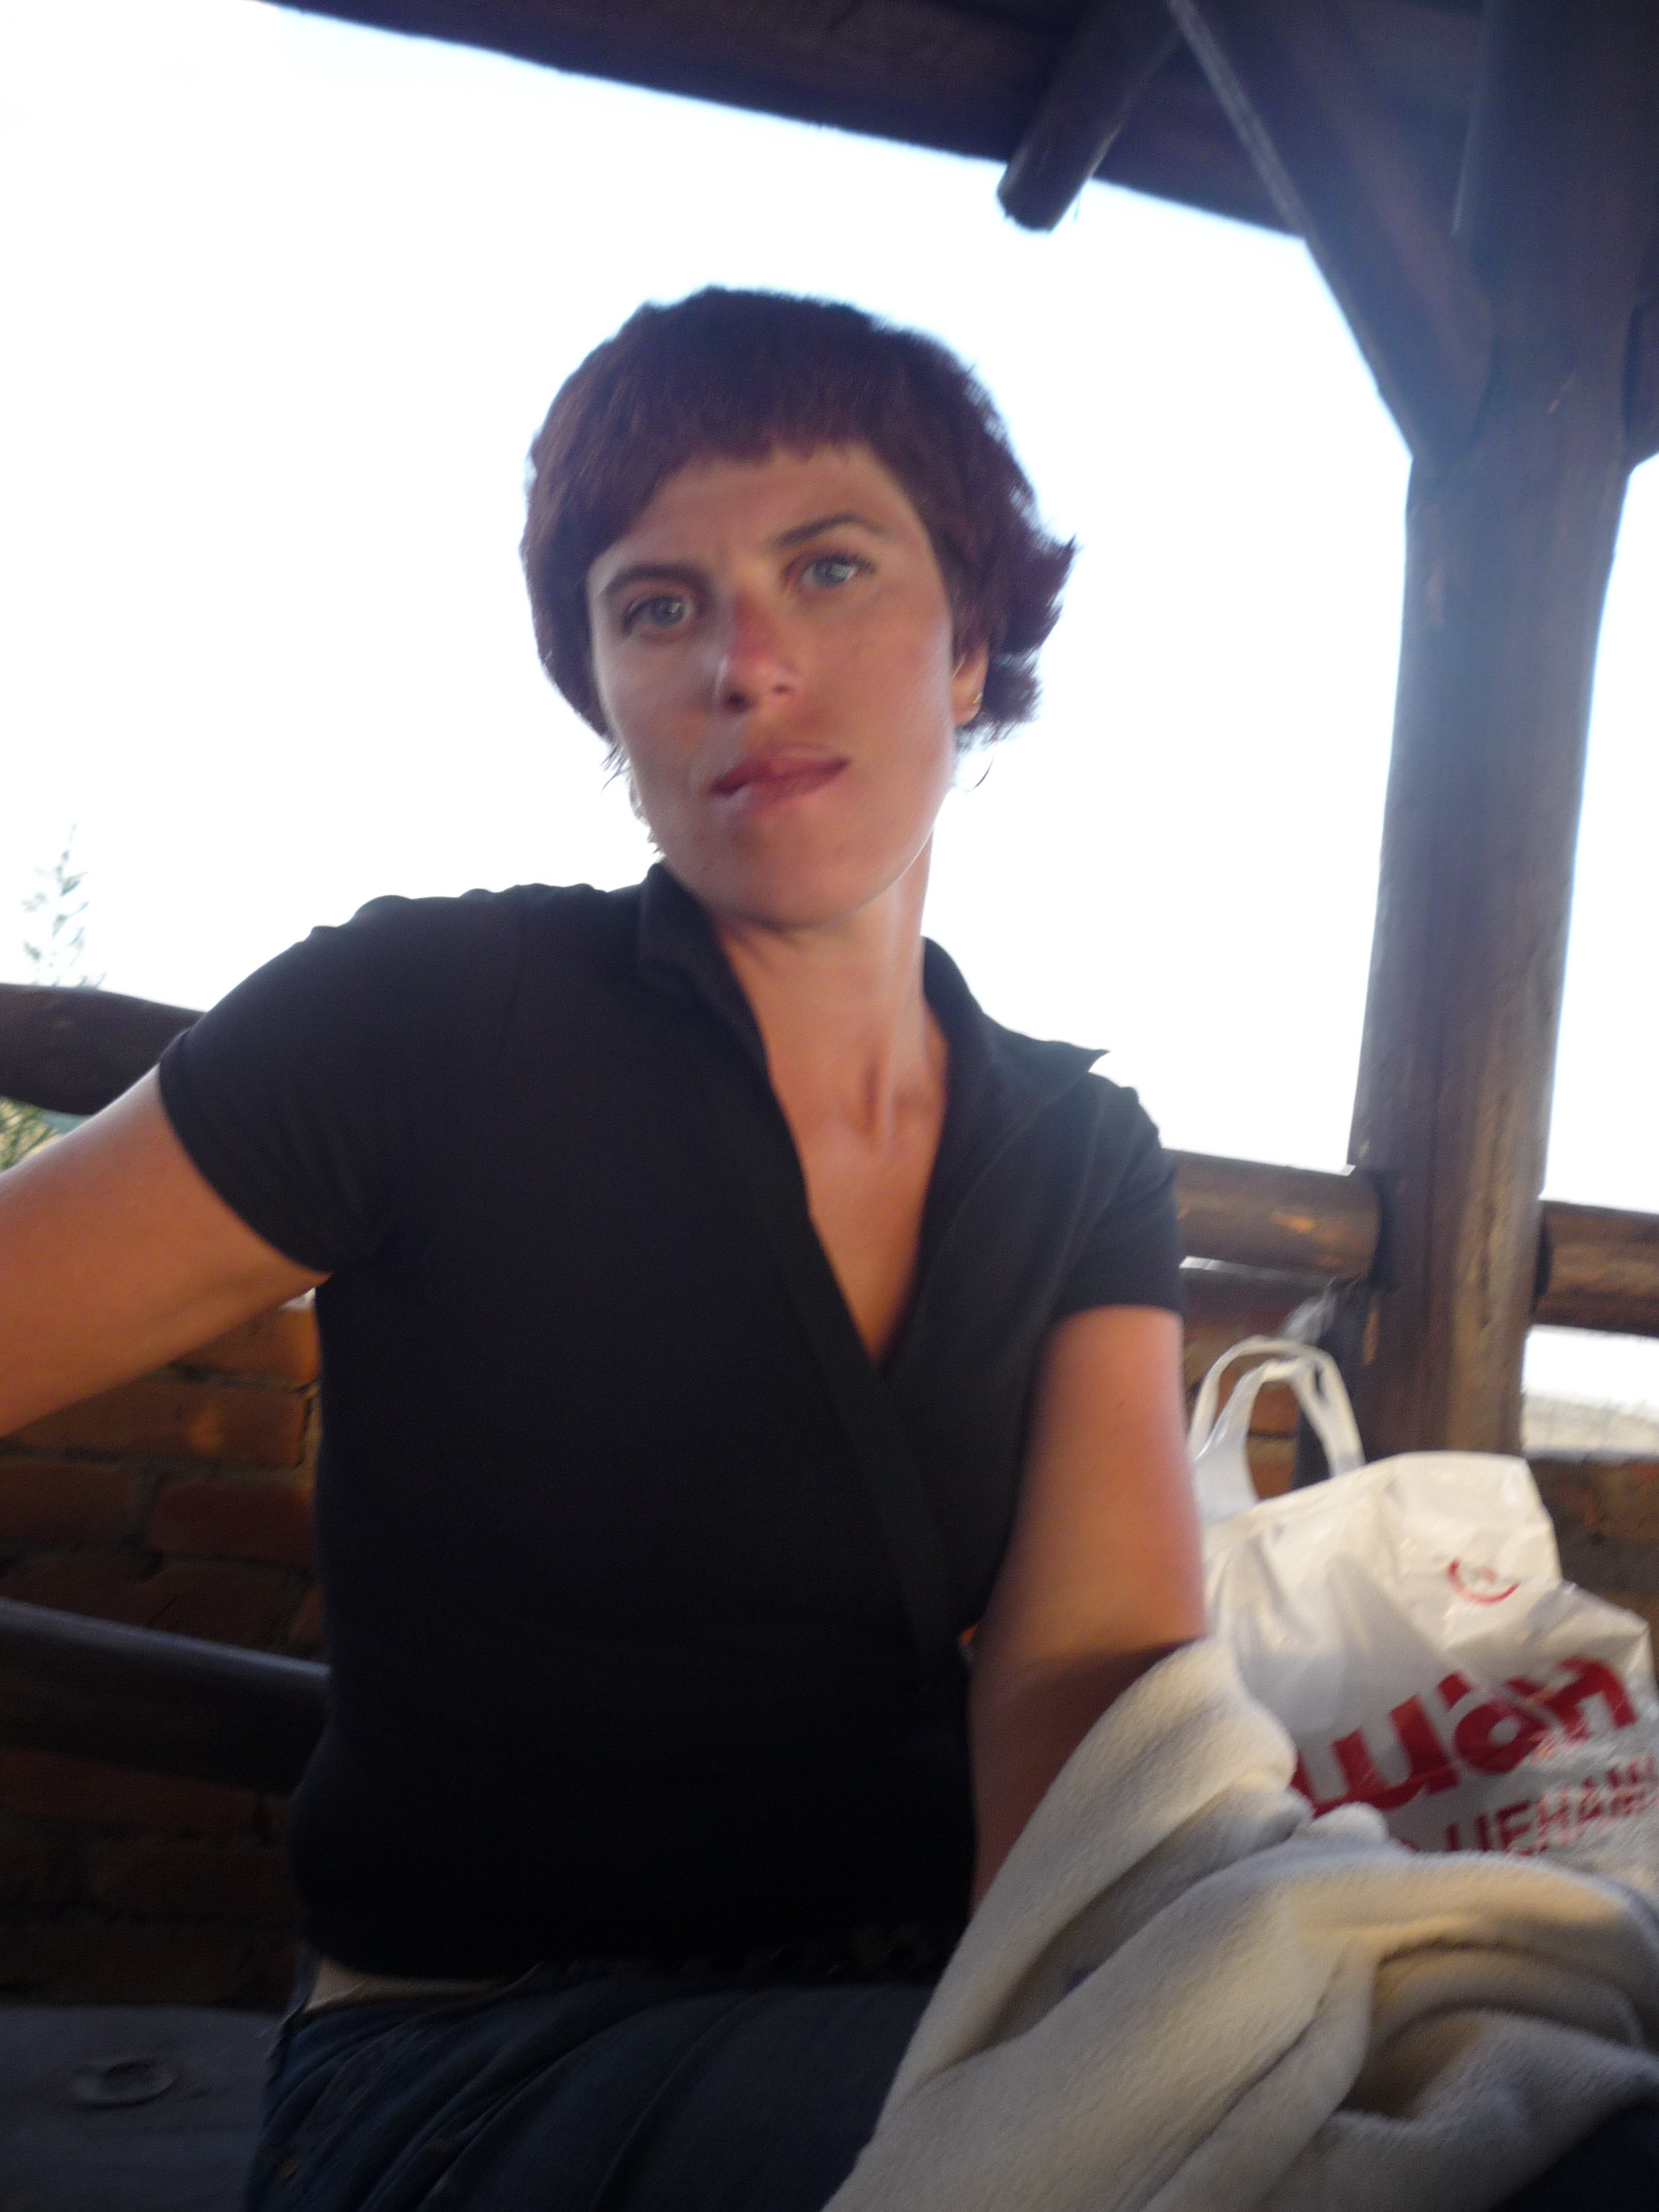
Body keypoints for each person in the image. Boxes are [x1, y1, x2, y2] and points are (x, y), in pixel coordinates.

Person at [2, 288, 1647, 2211]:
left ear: (970, 643)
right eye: (658, 606)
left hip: (934, 2022)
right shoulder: (427, 1025)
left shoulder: (1074, 1158)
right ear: (602, 688)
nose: (746, 663)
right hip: (468, 2067)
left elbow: (1088, 1709)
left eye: (830, 567)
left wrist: (1126, 2032)